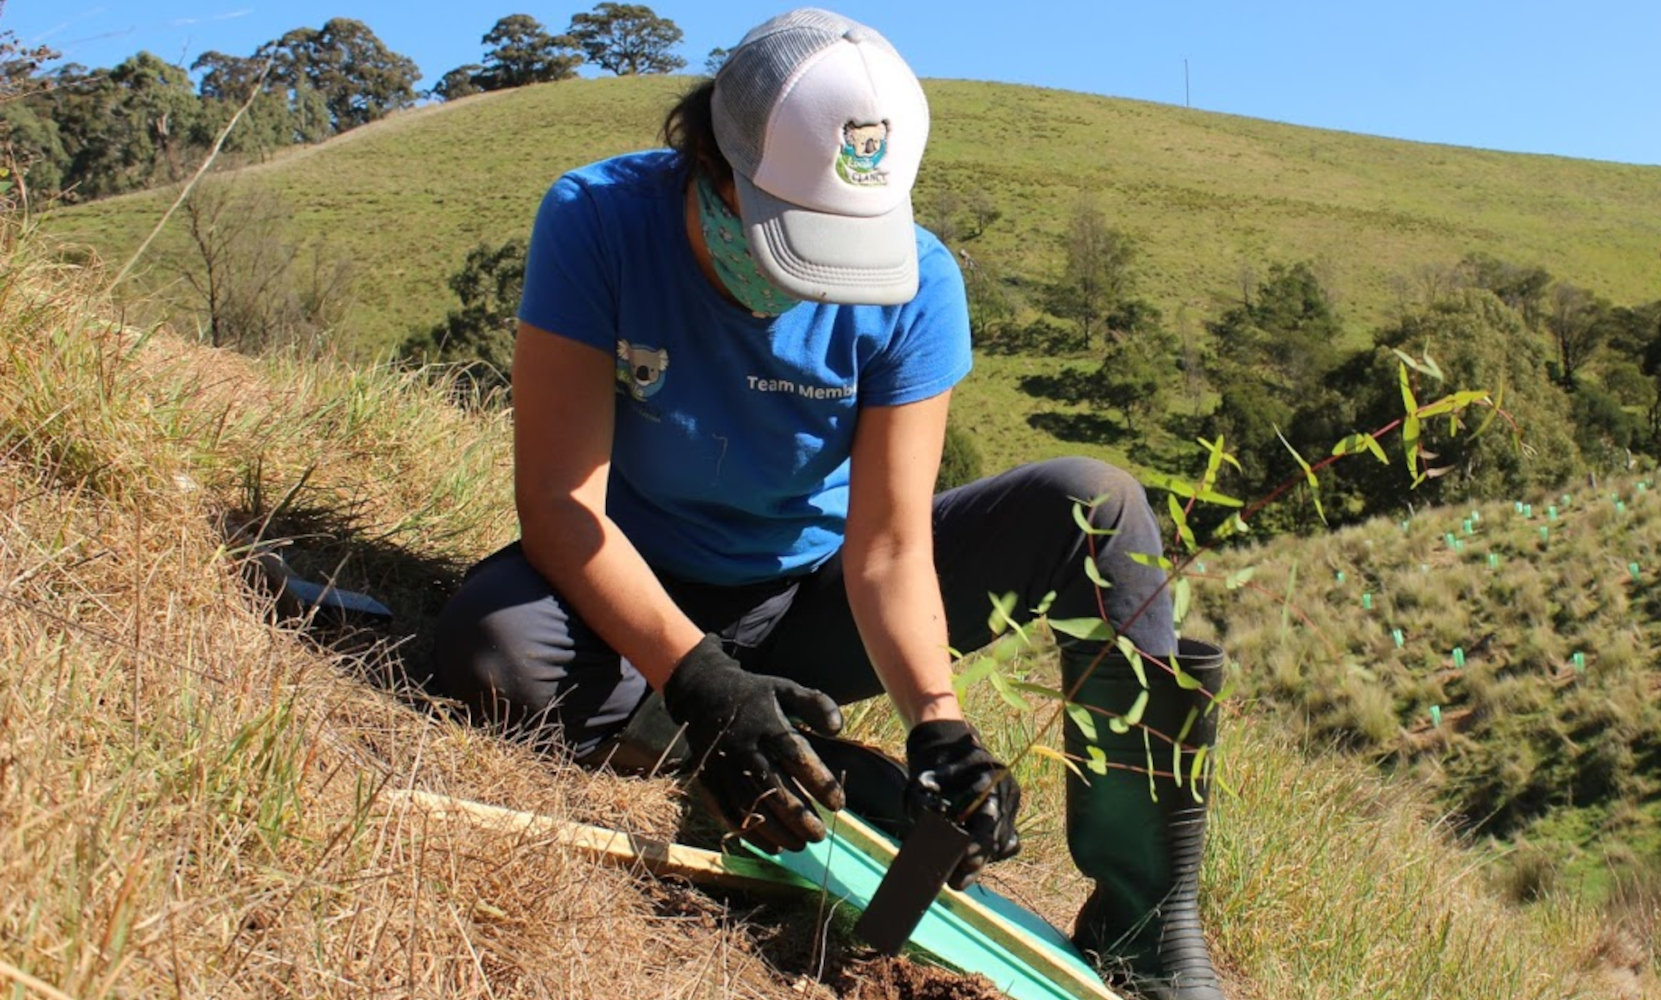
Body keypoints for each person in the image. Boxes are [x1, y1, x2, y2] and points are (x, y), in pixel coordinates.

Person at [430, 9, 1227, 999]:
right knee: (491, 651)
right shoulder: (600, 221)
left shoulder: (922, 287)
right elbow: (558, 502)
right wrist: (700, 679)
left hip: (818, 600)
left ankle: (1148, 915)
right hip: (630, 586)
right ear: (716, 166)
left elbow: (890, 547)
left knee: (1093, 506)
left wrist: (941, 727)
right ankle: (774, 755)